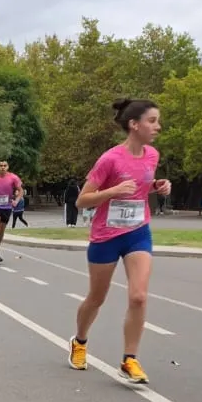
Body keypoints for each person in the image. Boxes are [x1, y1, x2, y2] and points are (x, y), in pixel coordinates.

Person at [66, 98, 172, 385]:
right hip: (106, 236)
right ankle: (80, 341)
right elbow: (82, 201)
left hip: (138, 232)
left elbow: (140, 188)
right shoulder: (110, 159)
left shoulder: (152, 155)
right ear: (134, 124)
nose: (158, 126)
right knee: (96, 298)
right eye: (152, 121)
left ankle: (129, 359)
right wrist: (112, 191)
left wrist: (158, 186)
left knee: (138, 296)